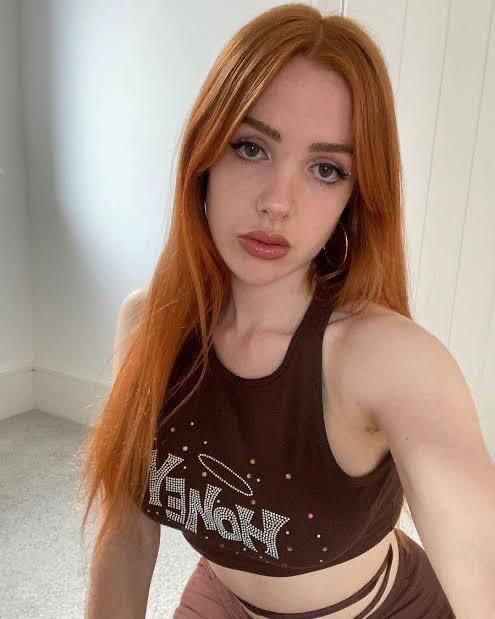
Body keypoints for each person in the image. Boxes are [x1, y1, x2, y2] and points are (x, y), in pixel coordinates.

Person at [79, 4, 494, 617]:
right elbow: (127, 540)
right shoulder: (149, 325)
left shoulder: (388, 358)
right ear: (204, 155)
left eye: (326, 169)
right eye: (251, 148)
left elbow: (484, 577)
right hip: (225, 601)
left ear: (355, 197)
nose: (278, 202)